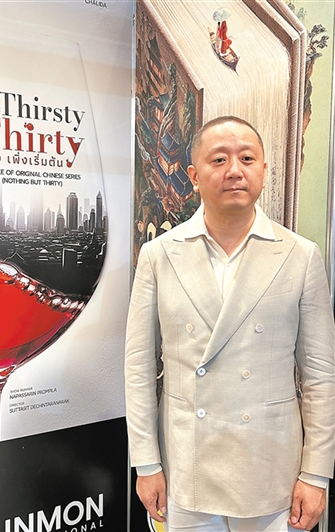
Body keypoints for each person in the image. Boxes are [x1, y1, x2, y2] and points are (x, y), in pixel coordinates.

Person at [125, 116, 335, 532]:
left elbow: (319, 375)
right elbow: (139, 368)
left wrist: (316, 473)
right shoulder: (159, 255)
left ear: (264, 170)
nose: (234, 170)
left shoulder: (300, 255)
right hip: (186, 464)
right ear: (194, 176)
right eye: (219, 159)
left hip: (271, 466)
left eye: (247, 158)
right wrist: (146, 463)